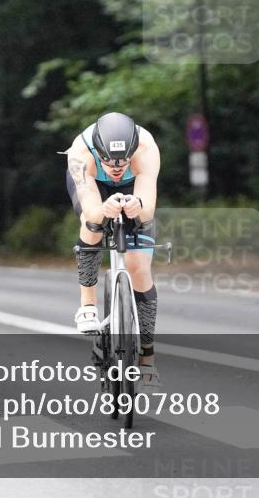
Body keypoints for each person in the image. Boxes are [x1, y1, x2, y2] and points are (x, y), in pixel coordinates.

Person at [64, 112, 162, 388]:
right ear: (98, 151)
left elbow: (148, 209)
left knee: (139, 268)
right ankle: (87, 305)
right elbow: (91, 206)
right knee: (91, 221)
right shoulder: (80, 153)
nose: (117, 168)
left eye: (122, 162)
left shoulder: (146, 148)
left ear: (132, 151)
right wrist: (102, 210)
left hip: (134, 189)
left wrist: (137, 206)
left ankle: (147, 357)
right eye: (109, 161)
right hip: (93, 185)